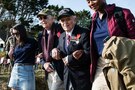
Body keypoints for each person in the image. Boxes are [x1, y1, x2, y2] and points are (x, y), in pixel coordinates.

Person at [86, 0, 135, 89]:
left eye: (93, 0)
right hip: (101, 65)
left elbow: (133, 40)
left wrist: (115, 43)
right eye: (88, 1)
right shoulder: (93, 19)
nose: (90, 3)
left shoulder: (123, 13)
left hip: (121, 64)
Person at [52, 8, 91, 90]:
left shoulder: (84, 33)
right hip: (67, 78)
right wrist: (54, 50)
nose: (65, 22)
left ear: (74, 19)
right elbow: (60, 50)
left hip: (81, 80)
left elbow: (89, 53)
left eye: (68, 19)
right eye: (62, 20)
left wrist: (71, 58)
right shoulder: (62, 36)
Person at [36, 8, 64, 90]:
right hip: (48, 70)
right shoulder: (41, 34)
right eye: (40, 18)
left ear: (53, 18)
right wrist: (44, 63)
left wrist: (57, 48)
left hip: (60, 69)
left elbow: (68, 45)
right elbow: (40, 54)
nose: (42, 20)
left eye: (45, 17)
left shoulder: (61, 29)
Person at [8, 24, 38, 90]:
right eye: (13, 34)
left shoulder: (32, 42)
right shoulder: (15, 43)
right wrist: (10, 54)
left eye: (17, 33)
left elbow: (40, 51)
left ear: (22, 32)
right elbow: (14, 58)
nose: (15, 36)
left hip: (27, 70)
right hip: (15, 69)